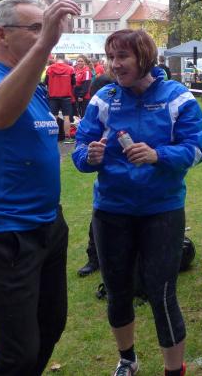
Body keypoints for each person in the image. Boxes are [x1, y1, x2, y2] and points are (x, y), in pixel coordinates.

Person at [72, 29, 202, 376]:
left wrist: (157, 155)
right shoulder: (104, 98)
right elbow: (80, 149)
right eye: (111, 57)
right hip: (111, 211)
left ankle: (174, 370)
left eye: (123, 57)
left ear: (144, 57)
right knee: (117, 291)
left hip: (161, 211)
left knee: (162, 293)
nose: (115, 65)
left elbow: (196, 150)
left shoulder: (178, 97)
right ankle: (127, 360)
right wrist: (89, 156)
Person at [0, 0, 81, 375]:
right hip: (3, 232)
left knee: (51, 326)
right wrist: (45, 44)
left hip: (48, 225)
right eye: (35, 28)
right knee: (18, 353)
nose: (46, 34)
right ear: (2, 35)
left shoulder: (36, 89)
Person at [77, 63, 116, 277]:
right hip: (106, 172)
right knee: (99, 218)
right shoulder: (102, 87)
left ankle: (97, 258)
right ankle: (94, 257)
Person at [45, 54, 75, 143]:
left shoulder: (50, 68)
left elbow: (46, 82)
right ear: (64, 59)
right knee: (66, 117)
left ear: (56, 59)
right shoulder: (70, 69)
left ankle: (53, 137)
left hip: (53, 95)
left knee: (53, 117)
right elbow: (73, 82)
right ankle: (67, 137)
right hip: (66, 96)